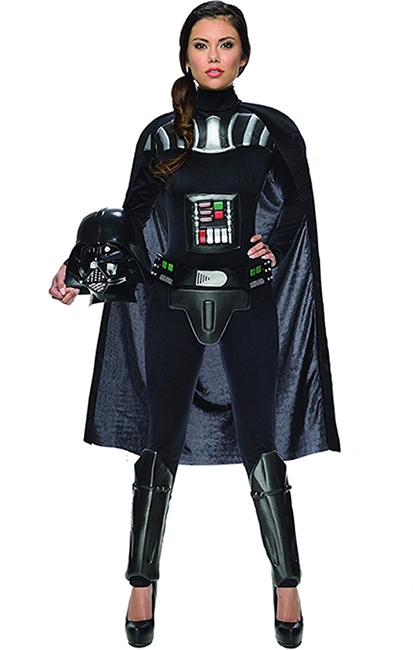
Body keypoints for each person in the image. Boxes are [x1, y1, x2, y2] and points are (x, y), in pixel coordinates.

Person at [50, 2, 340, 647]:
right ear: (185, 55)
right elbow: (130, 217)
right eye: (202, 44)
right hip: (171, 300)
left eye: (226, 44)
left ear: (244, 56)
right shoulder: (160, 135)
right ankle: (141, 583)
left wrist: (273, 246)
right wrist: (78, 263)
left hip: (249, 301)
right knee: (160, 443)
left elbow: (299, 204)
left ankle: (287, 581)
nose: (213, 56)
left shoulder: (270, 129)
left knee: (261, 442)